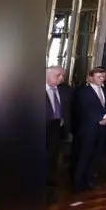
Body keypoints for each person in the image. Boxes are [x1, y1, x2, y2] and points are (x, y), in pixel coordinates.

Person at [71, 67, 106, 192]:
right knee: (84, 155)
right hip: (88, 129)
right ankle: (78, 182)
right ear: (91, 77)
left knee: (97, 155)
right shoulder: (82, 91)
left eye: (103, 77)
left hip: (104, 128)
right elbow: (84, 109)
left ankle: (90, 180)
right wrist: (99, 118)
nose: (102, 79)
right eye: (98, 77)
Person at [46, 66, 73, 201]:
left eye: (62, 75)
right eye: (58, 75)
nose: (61, 78)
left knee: (52, 161)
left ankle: (50, 191)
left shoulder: (65, 91)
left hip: (57, 131)